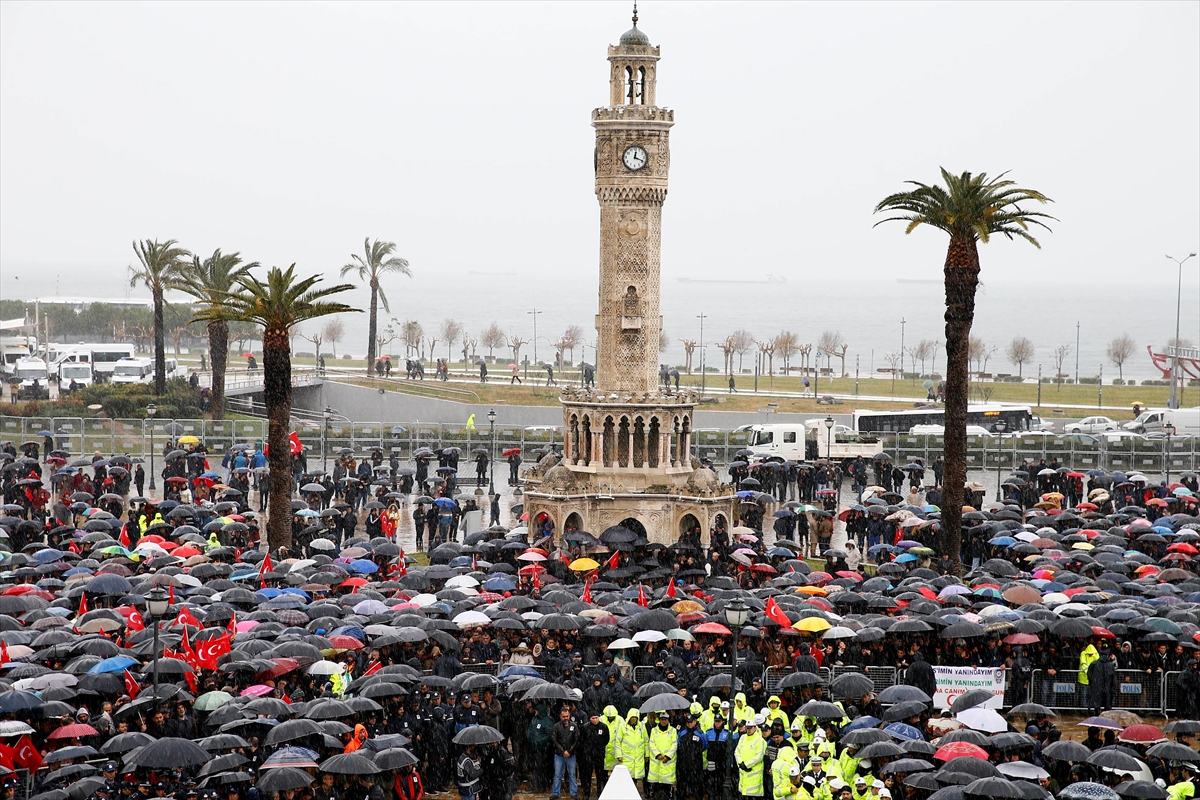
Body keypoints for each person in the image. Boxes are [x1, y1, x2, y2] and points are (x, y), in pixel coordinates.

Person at [550, 706, 580, 800]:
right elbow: (554, 740)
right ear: (560, 716)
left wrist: (570, 751)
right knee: (557, 774)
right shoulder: (556, 726)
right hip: (559, 755)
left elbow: (577, 739)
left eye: (567, 716)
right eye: (564, 716)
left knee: (572, 774)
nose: (565, 718)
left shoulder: (574, 726)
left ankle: (574, 793)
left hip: (571, 754)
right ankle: (555, 792)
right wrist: (562, 751)